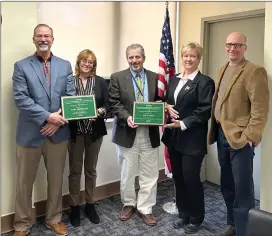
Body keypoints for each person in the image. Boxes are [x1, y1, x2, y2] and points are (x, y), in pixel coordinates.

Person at [12, 24, 76, 236]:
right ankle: (22, 224)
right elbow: (21, 98)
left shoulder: (65, 65)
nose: (43, 39)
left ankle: (54, 218)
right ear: (33, 39)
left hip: (58, 134)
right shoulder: (21, 66)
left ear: (52, 39)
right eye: (39, 36)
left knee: (56, 180)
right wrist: (48, 117)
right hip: (30, 134)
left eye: (46, 35)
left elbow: (70, 95)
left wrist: (55, 121)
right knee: (24, 183)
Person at [208, 32, 269, 236]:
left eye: (237, 45)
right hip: (220, 135)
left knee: (243, 189)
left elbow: (260, 109)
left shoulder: (255, 71)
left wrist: (251, 137)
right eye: (229, 44)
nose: (232, 48)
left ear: (245, 47)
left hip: (240, 138)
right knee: (227, 184)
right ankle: (232, 224)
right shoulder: (222, 69)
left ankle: (245, 231)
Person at [162, 42, 215, 234]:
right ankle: (183, 214)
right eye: (185, 55)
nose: (188, 59)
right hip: (173, 139)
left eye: (193, 56)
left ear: (199, 58)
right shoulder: (174, 80)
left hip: (192, 141)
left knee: (191, 179)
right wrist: (166, 107)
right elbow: (169, 102)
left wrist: (182, 123)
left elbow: (204, 111)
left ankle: (196, 217)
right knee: (178, 178)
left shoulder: (204, 82)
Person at [108, 44, 160, 226]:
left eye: (137, 57)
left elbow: (160, 101)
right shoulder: (117, 78)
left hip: (149, 132)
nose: (134, 61)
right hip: (126, 131)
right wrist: (127, 117)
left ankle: (145, 208)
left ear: (143, 58)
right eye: (131, 57)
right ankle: (129, 203)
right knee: (127, 172)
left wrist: (160, 110)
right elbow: (114, 103)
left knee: (150, 172)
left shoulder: (155, 77)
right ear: (127, 58)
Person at [68, 49, 110, 227]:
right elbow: (63, 101)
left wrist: (100, 112)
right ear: (78, 62)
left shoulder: (100, 82)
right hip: (75, 133)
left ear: (94, 64)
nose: (87, 64)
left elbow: (109, 104)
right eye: (84, 61)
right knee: (75, 171)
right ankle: (74, 207)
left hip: (94, 132)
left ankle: (90, 204)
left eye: (91, 62)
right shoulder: (69, 81)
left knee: (91, 170)